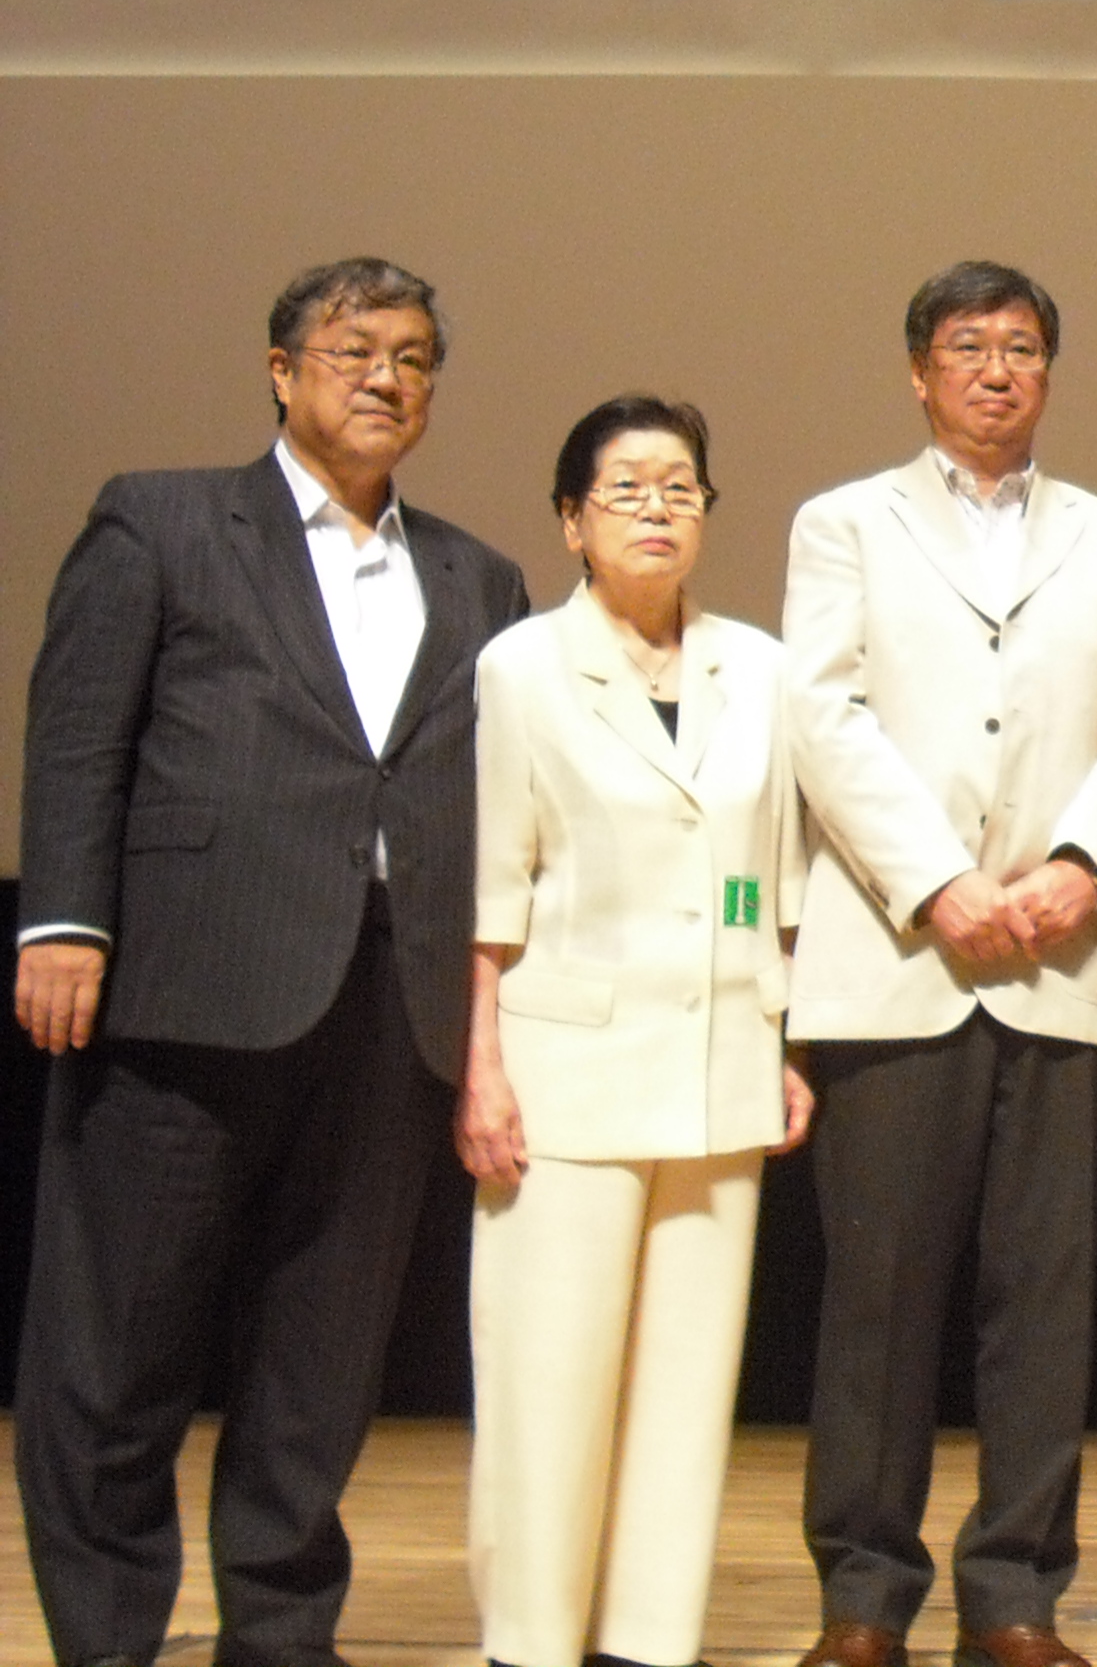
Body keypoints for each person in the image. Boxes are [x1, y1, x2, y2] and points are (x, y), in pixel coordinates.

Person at [15, 256, 532, 1667]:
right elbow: (78, 734)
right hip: (189, 989)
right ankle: (107, 1638)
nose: (386, 377)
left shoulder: (476, 575)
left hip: (389, 1007)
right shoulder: (164, 519)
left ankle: (281, 1635)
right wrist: (63, 918)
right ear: (281, 367)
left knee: (321, 1363)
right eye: (356, 349)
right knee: (117, 1352)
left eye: (415, 356)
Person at [780, 262, 1097, 1667]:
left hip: (1065, 964)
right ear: (919, 372)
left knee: (1043, 1298)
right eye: (966, 347)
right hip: (899, 958)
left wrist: (1075, 867)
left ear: (1049, 373)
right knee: (879, 1296)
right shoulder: (842, 525)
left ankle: (1014, 1596)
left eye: (1020, 348)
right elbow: (823, 714)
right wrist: (939, 885)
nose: (995, 369)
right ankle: (863, 1599)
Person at [462, 394, 817, 1667]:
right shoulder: (520, 666)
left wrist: (786, 1042)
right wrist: (483, 1066)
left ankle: (646, 1643)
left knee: (686, 1389)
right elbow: (493, 892)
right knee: (549, 1383)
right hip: (565, 1071)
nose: (658, 508)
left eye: (681, 487)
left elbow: (776, 885)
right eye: (626, 489)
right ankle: (533, 1641)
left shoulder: (761, 669)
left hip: (721, 1065)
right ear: (570, 520)